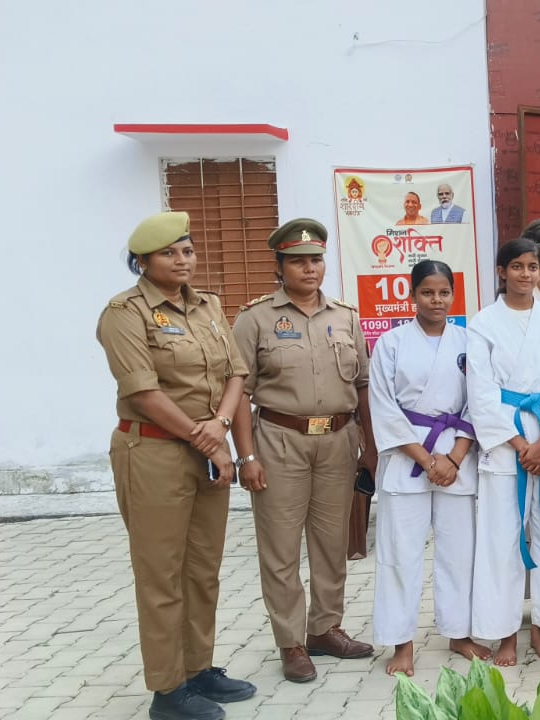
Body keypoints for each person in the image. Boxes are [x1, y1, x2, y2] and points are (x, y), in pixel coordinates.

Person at [97, 211, 256, 720]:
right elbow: (143, 392)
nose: (183, 260)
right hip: (154, 454)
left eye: (187, 250)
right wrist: (207, 439)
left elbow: (236, 373)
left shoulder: (208, 305)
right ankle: (167, 691)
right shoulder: (125, 313)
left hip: (207, 451)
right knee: (161, 575)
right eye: (169, 253)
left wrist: (221, 426)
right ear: (142, 262)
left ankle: (198, 668)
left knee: (203, 570)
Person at [231, 218, 377, 683]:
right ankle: (291, 642)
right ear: (279, 267)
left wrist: (370, 447)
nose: (309, 268)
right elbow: (238, 392)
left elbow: (363, 385)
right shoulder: (255, 319)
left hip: (338, 440)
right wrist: (246, 457)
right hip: (280, 440)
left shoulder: (345, 317)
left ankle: (325, 629)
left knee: (333, 543)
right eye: (298, 261)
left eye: (316, 259)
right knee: (281, 548)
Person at [367, 260, 490, 675]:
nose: (436, 300)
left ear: (453, 295)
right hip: (407, 456)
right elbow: (383, 406)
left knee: (459, 551)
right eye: (427, 292)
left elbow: (478, 402)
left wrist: (454, 457)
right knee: (400, 553)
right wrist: (425, 459)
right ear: (412, 295)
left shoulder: (468, 341)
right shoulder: (391, 343)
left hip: (456, 455)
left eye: (443, 293)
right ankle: (401, 642)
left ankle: (459, 632)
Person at [466, 237, 540, 667]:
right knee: (502, 537)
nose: (526, 274)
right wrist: (519, 445)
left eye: (532, 266)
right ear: (502, 271)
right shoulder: (483, 323)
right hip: (505, 440)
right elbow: (480, 392)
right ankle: (505, 633)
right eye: (517, 266)